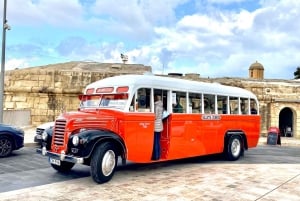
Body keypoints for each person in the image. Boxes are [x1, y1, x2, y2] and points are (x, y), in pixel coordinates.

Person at [152, 95, 163, 160]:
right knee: (158, 141)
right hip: (160, 125)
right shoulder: (161, 106)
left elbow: (155, 117)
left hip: (155, 125)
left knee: (155, 141)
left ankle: (155, 156)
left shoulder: (156, 106)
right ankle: (158, 155)